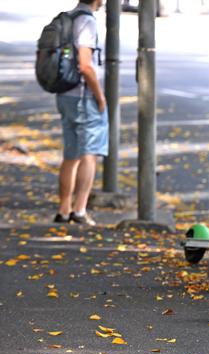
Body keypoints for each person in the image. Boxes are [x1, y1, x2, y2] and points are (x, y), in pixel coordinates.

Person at [54, 0, 106, 226]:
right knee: (89, 154)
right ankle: (80, 209)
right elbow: (85, 65)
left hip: (64, 94)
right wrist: (100, 96)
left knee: (71, 154)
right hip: (83, 98)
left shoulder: (67, 17)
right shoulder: (86, 21)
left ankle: (64, 210)